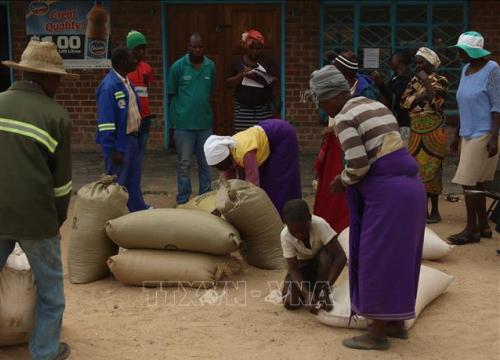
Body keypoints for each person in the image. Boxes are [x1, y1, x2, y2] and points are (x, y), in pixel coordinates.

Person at [305, 65, 426, 350]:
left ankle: (377, 333)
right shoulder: (377, 105)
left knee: (374, 258)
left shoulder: (345, 117)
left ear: (332, 96)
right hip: (411, 189)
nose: (325, 110)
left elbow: (358, 165)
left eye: (322, 103)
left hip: (387, 195)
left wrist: (341, 181)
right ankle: (396, 324)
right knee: (400, 258)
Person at [0, 40, 75, 360]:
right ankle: (44, 351)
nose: (59, 83)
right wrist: (56, 220)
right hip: (36, 217)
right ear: (43, 77)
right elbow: (62, 185)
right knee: (51, 291)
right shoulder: (56, 116)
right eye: (56, 77)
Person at [448, 31, 500, 245]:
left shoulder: (493, 69)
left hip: (485, 132)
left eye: (462, 50)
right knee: (476, 181)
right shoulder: (465, 70)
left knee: (467, 181)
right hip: (467, 132)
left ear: (474, 51)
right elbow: (463, 104)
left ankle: (471, 229)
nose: (459, 54)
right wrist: (456, 135)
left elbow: (498, 105)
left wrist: (494, 137)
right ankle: (483, 226)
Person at [203, 119, 301, 216]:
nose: (220, 169)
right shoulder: (228, 153)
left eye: (219, 165)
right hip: (265, 134)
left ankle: (283, 215)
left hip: (282, 135)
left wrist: (242, 208)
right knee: (264, 179)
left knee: (276, 181)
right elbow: (229, 185)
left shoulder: (245, 153)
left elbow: (253, 185)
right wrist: (220, 208)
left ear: (225, 157)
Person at [96, 47, 150, 212]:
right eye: (130, 58)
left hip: (132, 140)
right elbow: (105, 123)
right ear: (121, 62)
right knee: (117, 184)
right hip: (119, 145)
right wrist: (112, 149)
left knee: (133, 181)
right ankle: (113, 217)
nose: (135, 61)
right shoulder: (109, 86)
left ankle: (137, 211)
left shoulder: (127, 82)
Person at [401, 47, 449, 224]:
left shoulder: (441, 80)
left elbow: (437, 103)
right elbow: (404, 103)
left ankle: (435, 210)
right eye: (417, 61)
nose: (418, 65)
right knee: (418, 170)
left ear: (432, 63)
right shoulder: (413, 81)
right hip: (416, 131)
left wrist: (424, 85)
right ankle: (422, 210)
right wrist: (421, 94)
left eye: (422, 62)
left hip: (434, 131)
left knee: (434, 169)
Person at [168, 33, 215, 205]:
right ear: (188, 47)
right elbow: (171, 95)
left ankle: (205, 198)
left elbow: (209, 92)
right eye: (194, 46)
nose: (197, 49)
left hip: (204, 124)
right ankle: (183, 199)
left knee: (205, 163)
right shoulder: (178, 67)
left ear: (204, 47)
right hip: (183, 125)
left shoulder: (210, 66)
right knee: (184, 164)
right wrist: (174, 122)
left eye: (200, 46)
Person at [281, 199, 346, 312]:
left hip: (321, 267)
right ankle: (313, 293)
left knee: (324, 257)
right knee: (290, 302)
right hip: (302, 268)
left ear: (309, 219)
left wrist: (326, 286)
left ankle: (321, 290)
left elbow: (340, 257)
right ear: (286, 224)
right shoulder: (285, 235)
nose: (299, 235)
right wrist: (306, 294)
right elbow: (294, 270)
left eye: (303, 230)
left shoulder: (320, 225)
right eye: (294, 232)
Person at [226, 29, 280, 132]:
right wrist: (242, 75)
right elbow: (228, 83)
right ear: (246, 46)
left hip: (263, 110)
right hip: (242, 111)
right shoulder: (237, 62)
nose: (254, 51)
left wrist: (256, 76)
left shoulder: (268, 61)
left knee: (262, 140)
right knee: (243, 141)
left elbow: (274, 81)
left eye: (258, 48)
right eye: (251, 47)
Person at [372, 50, 413, 142]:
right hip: (392, 122)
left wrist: (380, 83)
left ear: (400, 60)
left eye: (392, 58)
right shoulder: (395, 76)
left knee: (402, 150)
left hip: (402, 123)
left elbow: (395, 100)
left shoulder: (407, 78)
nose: (389, 61)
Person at [126, 30, 154, 152]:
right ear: (131, 49)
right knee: (130, 152)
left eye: (144, 48)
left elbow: (147, 89)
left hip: (145, 117)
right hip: (130, 117)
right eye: (138, 48)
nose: (142, 52)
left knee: (140, 153)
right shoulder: (125, 67)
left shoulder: (147, 68)